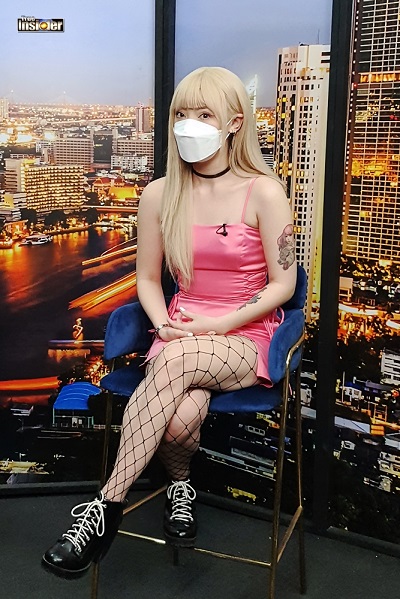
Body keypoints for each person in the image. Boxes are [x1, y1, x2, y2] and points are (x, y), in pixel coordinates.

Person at [42, 66, 296, 578]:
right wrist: (162, 324)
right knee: (179, 423)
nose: (189, 124)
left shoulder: (265, 193)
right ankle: (181, 486)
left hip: (244, 333)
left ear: (234, 123)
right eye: (181, 113)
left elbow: (283, 285)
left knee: (177, 365)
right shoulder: (160, 194)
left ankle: (104, 510)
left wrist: (215, 324)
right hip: (178, 332)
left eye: (204, 114)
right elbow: (148, 280)